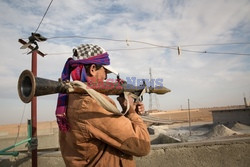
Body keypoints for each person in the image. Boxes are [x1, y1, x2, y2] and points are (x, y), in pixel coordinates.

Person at [55, 44, 150, 167]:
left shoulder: (71, 98)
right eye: (105, 71)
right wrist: (131, 111)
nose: (106, 77)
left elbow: (104, 134)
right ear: (93, 69)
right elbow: (142, 145)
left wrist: (131, 113)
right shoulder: (91, 103)